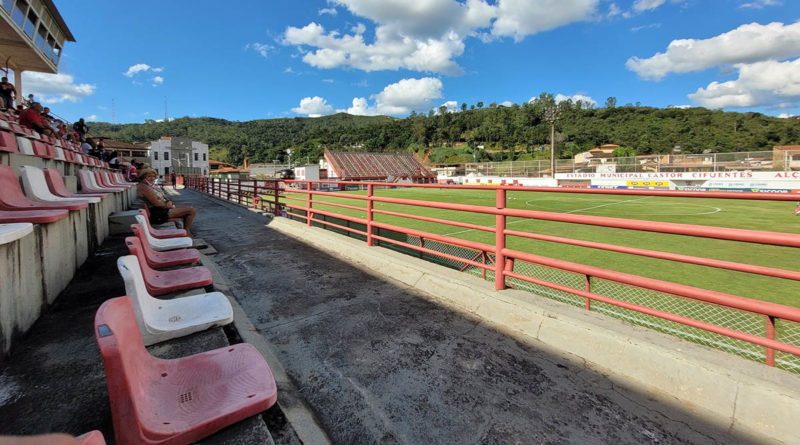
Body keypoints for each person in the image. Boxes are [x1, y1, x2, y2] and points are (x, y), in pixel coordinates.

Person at [137, 169, 196, 236]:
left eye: (153, 176)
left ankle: (186, 232)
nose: (152, 178)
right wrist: (168, 206)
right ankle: (187, 232)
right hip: (157, 213)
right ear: (143, 177)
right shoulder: (145, 188)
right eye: (149, 176)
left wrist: (168, 201)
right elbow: (156, 203)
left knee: (187, 209)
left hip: (160, 210)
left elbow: (163, 197)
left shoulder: (148, 186)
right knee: (191, 210)